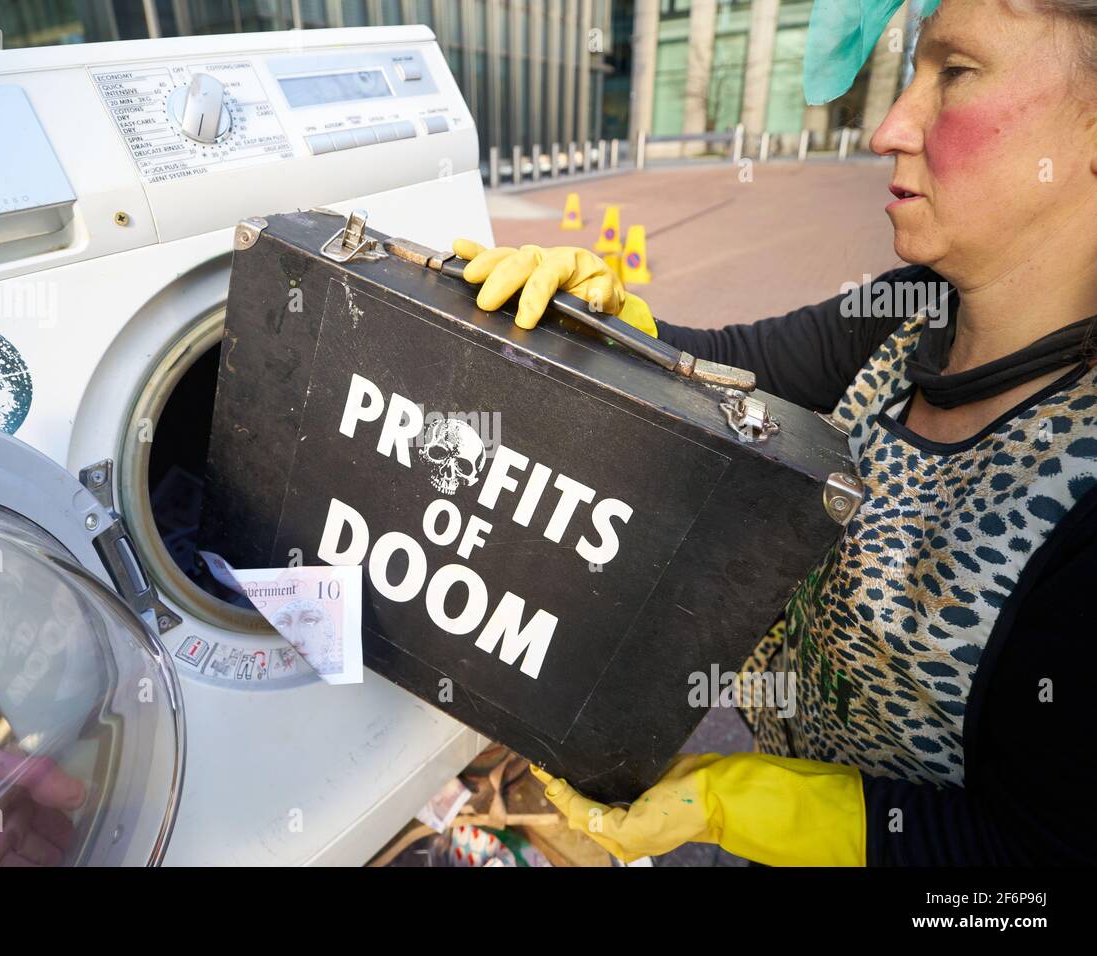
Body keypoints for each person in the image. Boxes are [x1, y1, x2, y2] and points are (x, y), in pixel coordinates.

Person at [452, 0, 1097, 866]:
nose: (891, 127)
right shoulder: (908, 313)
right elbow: (727, 369)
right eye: (910, 77)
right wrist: (593, 319)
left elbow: (1026, 866)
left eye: (956, 74)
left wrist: (728, 801)